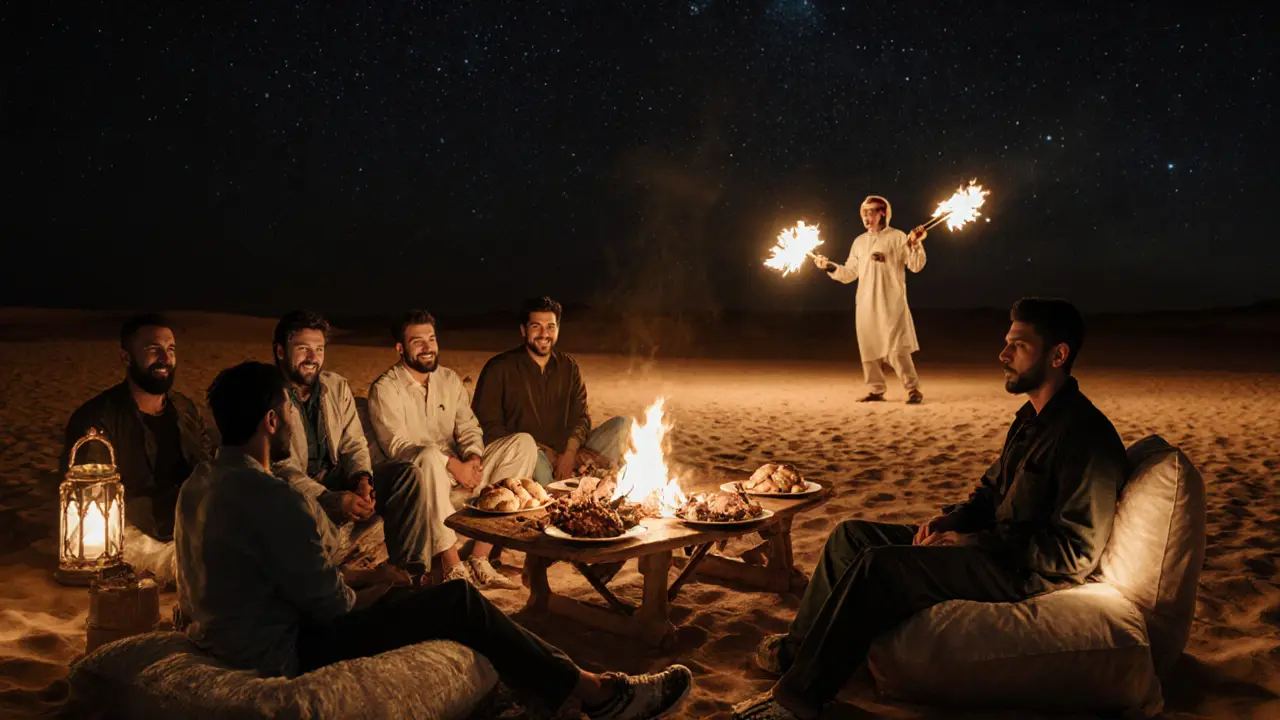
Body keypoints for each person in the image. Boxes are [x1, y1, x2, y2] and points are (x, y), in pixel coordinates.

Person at [175, 361, 692, 719]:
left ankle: (544, 683)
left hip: (229, 634)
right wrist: (381, 584)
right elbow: (332, 608)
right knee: (457, 599)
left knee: (418, 593)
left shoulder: (198, 486)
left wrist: (371, 576)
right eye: (285, 410)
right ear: (271, 421)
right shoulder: (275, 497)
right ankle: (595, 692)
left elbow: (276, 578)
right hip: (282, 651)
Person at [735, 298, 1126, 720]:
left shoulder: (1085, 437)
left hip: (1019, 571)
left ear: (1058, 354)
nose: (1003, 354)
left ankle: (798, 699)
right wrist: (951, 521)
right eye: (1005, 343)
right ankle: (798, 652)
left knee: (879, 567)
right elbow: (990, 495)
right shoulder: (1031, 420)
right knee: (851, 537)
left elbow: (1075, 553)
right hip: (987, 546)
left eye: (1018, 345)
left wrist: (971, 543)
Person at [367, 310, 538, 589]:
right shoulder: (385, 389)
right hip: (422, 481)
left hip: (459, 471)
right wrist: (451, 463)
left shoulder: (448, 379)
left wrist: (472, 457)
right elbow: (398, 448)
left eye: (431, 339)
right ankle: (452, 566)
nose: (427, 347)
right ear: (400, 348)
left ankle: (480, 559)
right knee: (427, 457)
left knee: (523, 444)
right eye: (417, 341)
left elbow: (469, 427)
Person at [269, 310, 430, 584]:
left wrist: (362, 480)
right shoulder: (270, 395)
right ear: (281, 351)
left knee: (407, 475)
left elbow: (353, 444)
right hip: (295, 493)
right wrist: (333, 500)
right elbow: (280, 467)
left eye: (319, 349)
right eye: (303, 348)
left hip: (337, 478)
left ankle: (409, 575)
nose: (312, 357)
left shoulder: (336, 387)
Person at [62, 314, 214, 541]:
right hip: (133, 536)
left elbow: (207, 468)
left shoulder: (186, 410)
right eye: (154, 349)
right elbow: (90, 498)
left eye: (170, 349)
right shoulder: (97, 420)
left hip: (195, 527)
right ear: (126, 358)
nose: (165, 358)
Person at [472, 296, 632, 486]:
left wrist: (571, 452)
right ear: (523, 330)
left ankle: (592, 486)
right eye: (536, 326)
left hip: (569, 452)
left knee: (622, 425)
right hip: (531, 454)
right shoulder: (499, 368)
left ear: (558, 329)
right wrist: (551, 454)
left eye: (550, 326)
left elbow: (581, 417)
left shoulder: (569, 367)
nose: (544, 333)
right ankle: (561, 493)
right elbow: (488, 427)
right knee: (540, 466)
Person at [811, 195, 928, 404]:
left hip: (892, 303)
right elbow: (849, 273)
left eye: (871, 211)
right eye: (863, 212)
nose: (866, 216)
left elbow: (916, 265)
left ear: (883, 212)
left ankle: (913, 390)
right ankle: (876, 389)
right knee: (868, 345)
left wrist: (915, 244)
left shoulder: (898, 237)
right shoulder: (859, 242)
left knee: (897, 348)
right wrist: (829, 266)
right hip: (865, 303)